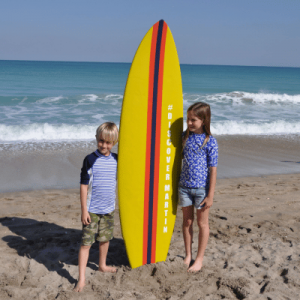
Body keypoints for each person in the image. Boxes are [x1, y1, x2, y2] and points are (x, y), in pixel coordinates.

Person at [74, 122, 119, 292]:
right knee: (86, 243)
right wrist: (84, 209)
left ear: (114, 143)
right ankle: (82, 279)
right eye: (101, 141)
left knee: (105, 239)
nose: (104, 145)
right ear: (96, 139)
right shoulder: (90, 159)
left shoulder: (116, 159)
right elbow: (84, 185)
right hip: (92, 210)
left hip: (109, 209)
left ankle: (102, 265)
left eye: (108, 142)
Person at [179, 102, 218, 272]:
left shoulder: (210, 141)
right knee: (187, 222)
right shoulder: (184, 136)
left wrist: (210, 195)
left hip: (202, 189)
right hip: (184, 187)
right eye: (188, 119)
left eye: (193, 120)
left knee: (202, 223)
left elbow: (213, 170)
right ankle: (188, 255)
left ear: (204, 120)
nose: (189, 123)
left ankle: (199, 259)